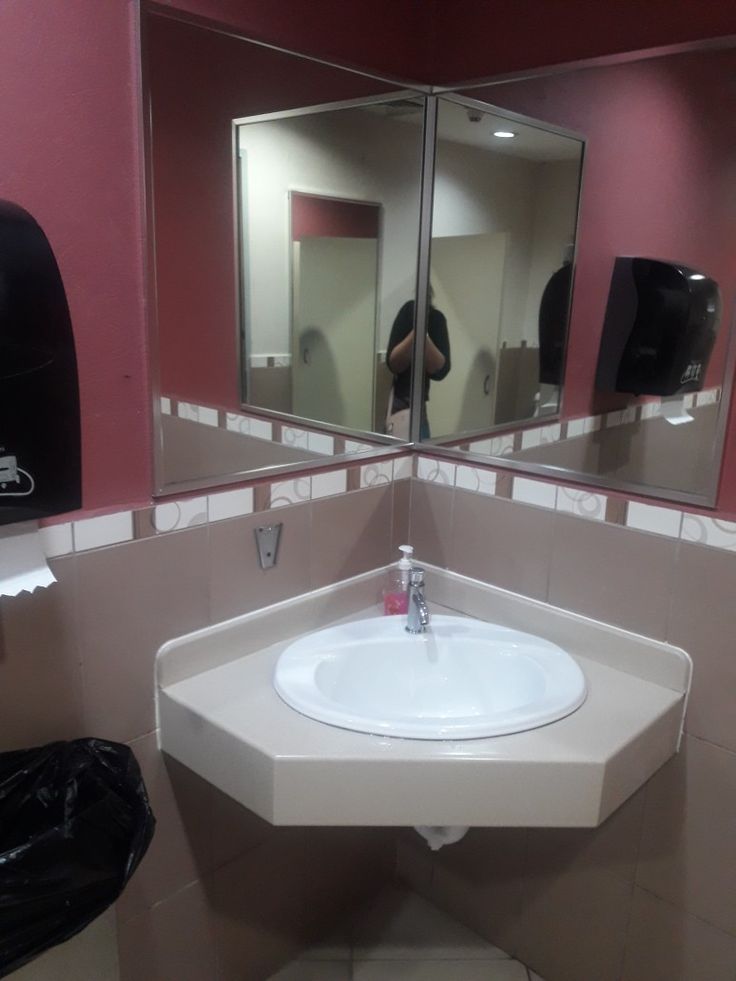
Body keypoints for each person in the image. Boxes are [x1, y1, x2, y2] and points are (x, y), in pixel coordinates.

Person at [385, 291, 451, 439]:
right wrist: (415, 334)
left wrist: (424, 336)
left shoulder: (437, 319)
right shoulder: (408, 311)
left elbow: (441, 371)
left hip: (419, 407)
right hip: (399, 404)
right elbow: (393, 364)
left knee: (421, 456)